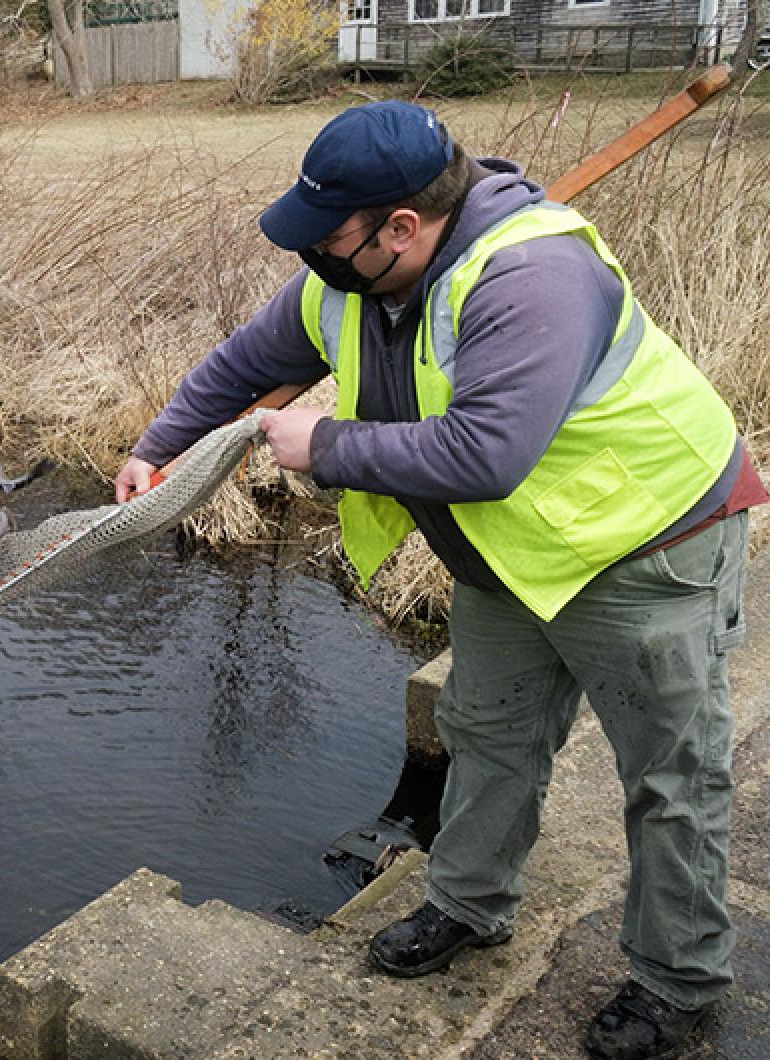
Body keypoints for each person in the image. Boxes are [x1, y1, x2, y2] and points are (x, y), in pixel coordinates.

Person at [115, 100, 764, 1060]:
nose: (314, 258)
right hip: (513, 556)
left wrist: (323, 442)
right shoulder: (345, 285)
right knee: (488, 738)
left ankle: (679, 981)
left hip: (647, 545)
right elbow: (242, 364)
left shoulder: (535, 277)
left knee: (671, 776)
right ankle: (466, 906)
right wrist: (156, 449)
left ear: (402, 227)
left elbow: (488, 454)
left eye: (329, 237)